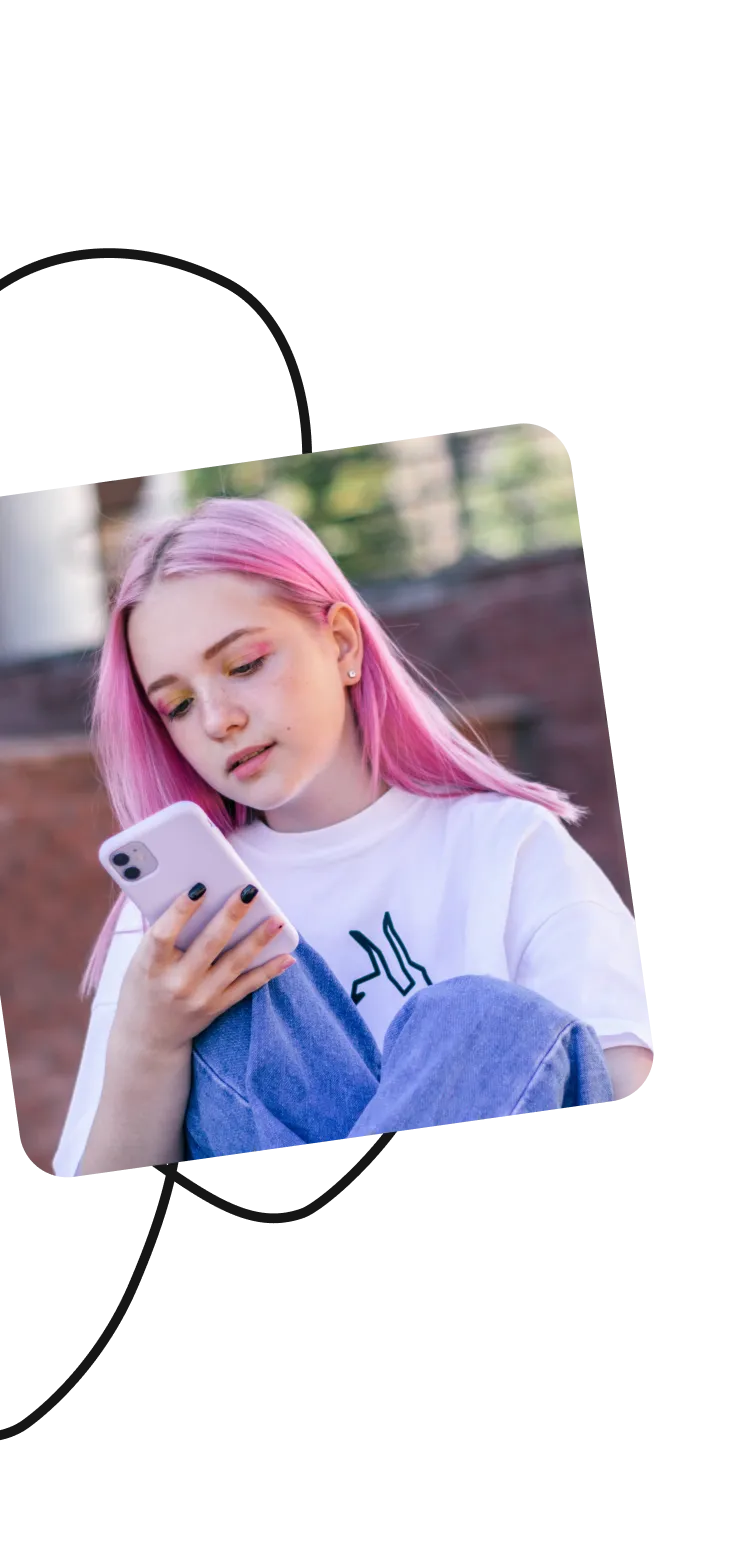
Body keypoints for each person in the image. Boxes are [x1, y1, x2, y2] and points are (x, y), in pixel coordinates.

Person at [53, 498, 653, 1177]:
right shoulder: (176, 916)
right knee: (239, 996)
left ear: (340, 641)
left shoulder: (505, 844)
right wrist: (149, 1039)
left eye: (245, 664)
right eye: (179, 706)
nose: (217, 719)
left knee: (482, 1023)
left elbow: (620, 1077)